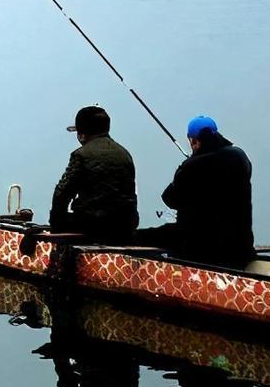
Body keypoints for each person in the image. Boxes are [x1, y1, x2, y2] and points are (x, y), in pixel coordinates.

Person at [141, 115, 255, 267]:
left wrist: (188, 163)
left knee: (143, 236)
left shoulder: (192, 166)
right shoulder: (240, 157)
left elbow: (169, 199)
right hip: (241, 247)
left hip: (202, 249)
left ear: (193, 141)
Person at [49, 105, 139, 244]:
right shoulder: (125, 154)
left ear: (81, 134)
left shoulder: (81, 154)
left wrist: (56, 226)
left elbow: (62, 193)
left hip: (93, 227)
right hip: (125, 227)